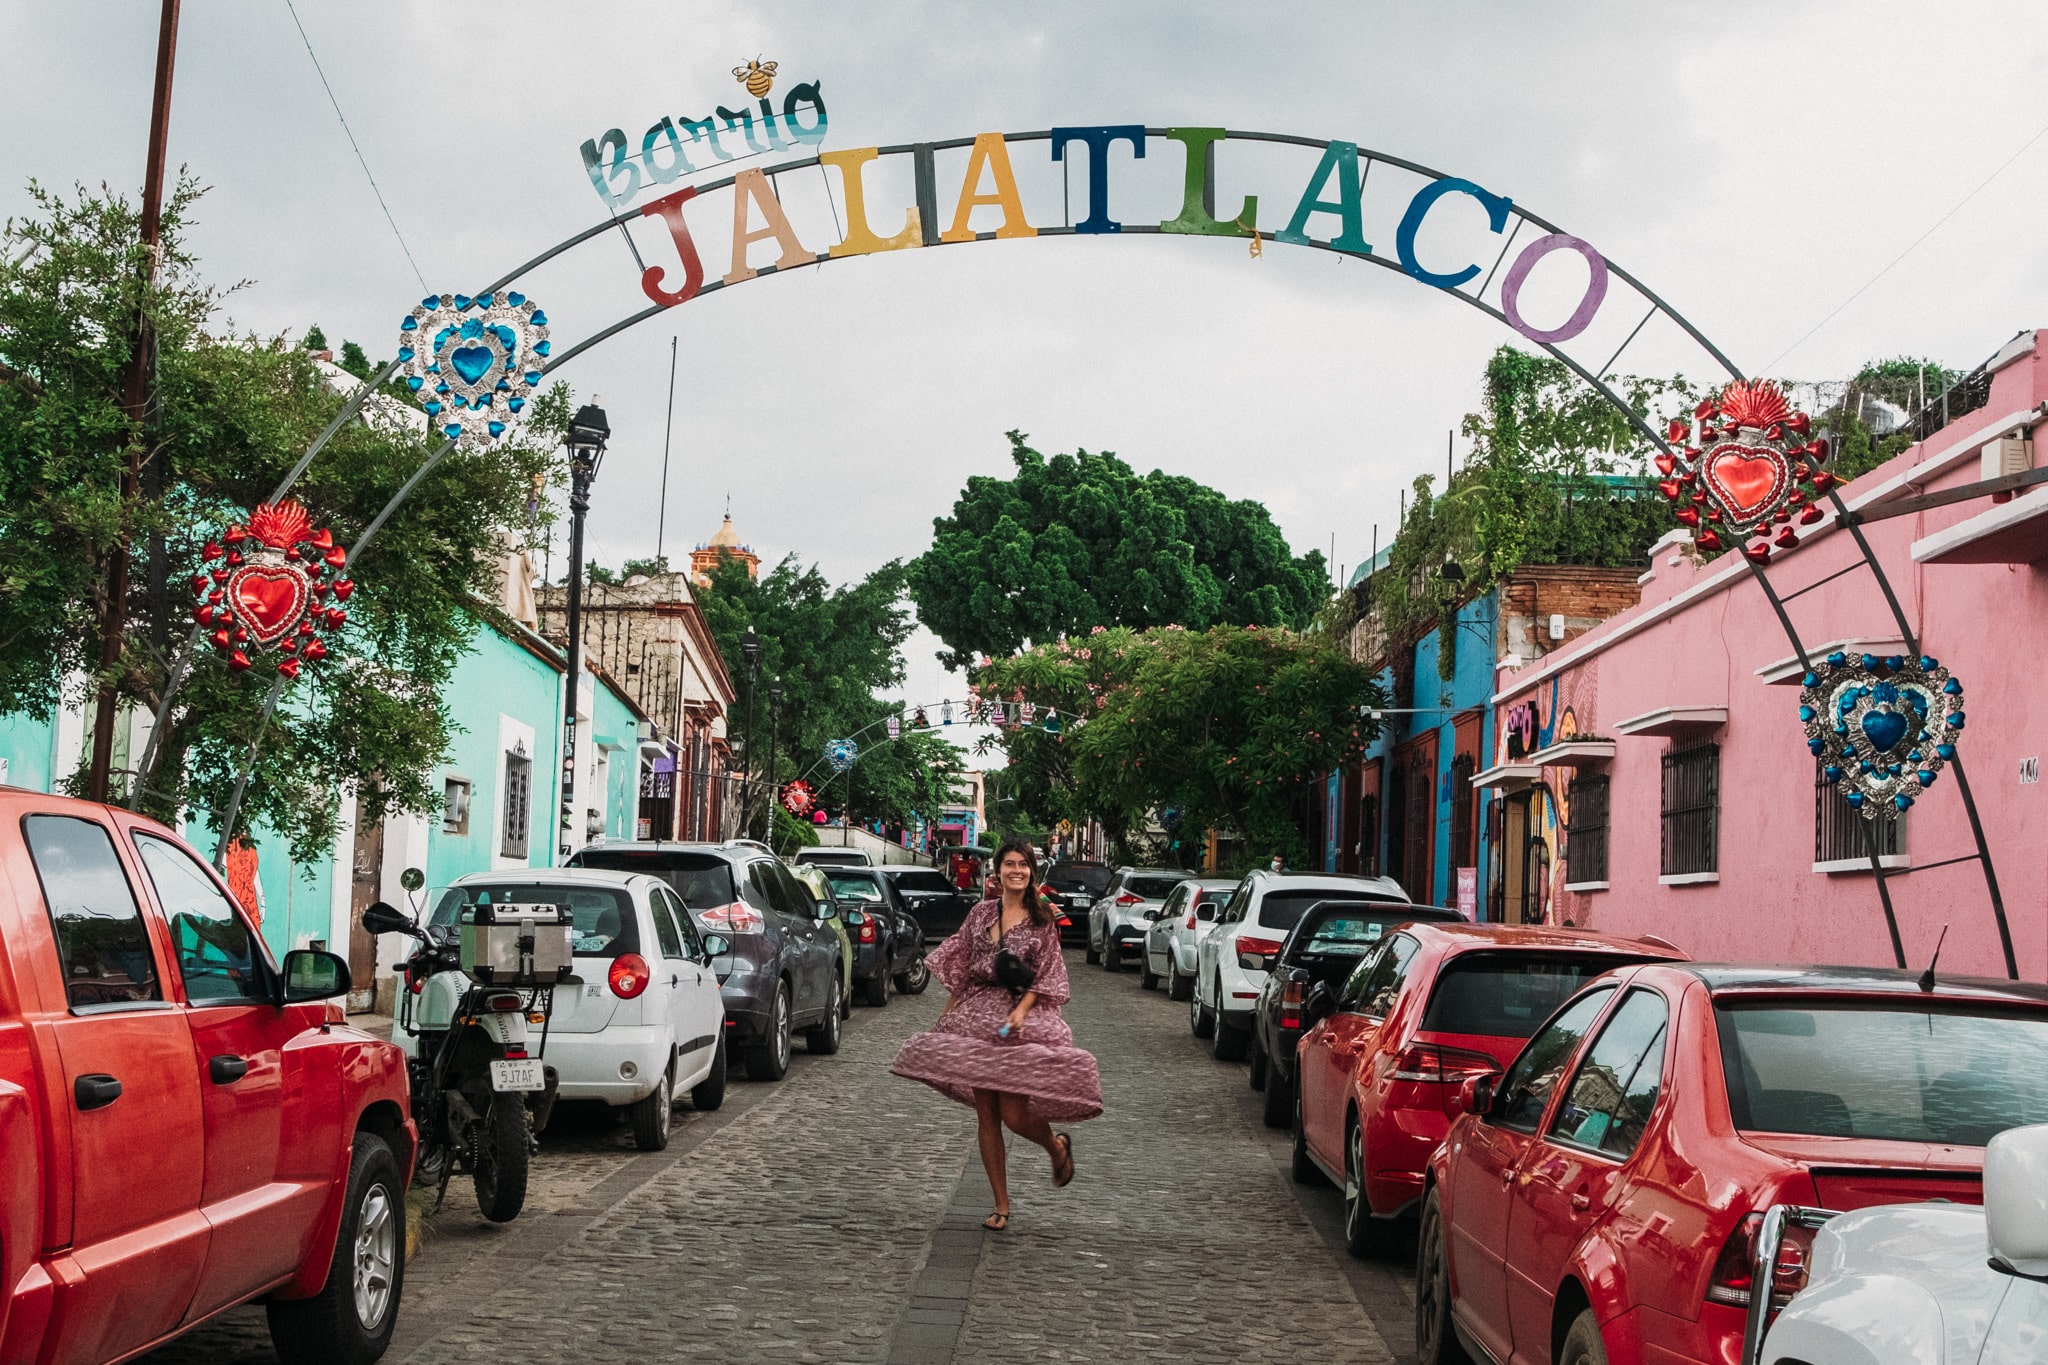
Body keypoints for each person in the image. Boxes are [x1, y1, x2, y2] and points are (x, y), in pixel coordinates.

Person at [891, 836, 1102, 1231]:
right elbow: (965, 972)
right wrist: (946, 1020)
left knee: (1015, 1115)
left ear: (1031, 872)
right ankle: (1000, 1205)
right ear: (998, 871)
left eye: (1023, 864)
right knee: (986, 1115)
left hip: (1020, 1020)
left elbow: (1047, 976)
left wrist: (1021, 1013)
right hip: (976, 1017)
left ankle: (1056, 1146)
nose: (1016, 871)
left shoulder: (1043, 920)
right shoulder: (979, 914)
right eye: (1009, 864)